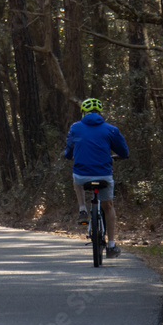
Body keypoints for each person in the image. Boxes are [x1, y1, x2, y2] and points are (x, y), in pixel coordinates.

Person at [63, 97, 129, 258]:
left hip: (82, 175)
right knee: (108, 207)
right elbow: (124, 153)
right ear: (100, 113)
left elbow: (68, 152)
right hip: (104, 175)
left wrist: (72, 155)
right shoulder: (110, 129)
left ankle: (82, 209)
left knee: (76, 177)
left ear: (83, 112)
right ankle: (112, 245)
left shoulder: (75, 128)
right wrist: (116, 156)